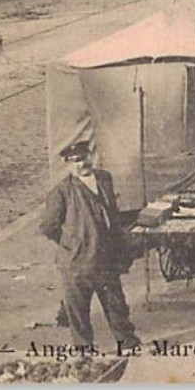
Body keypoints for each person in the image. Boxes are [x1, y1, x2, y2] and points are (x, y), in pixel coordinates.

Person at [39, 140, 141, 352]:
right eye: (75, 161)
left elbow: (111, 213)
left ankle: (129, 344)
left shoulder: (104, 179)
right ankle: (85, 352)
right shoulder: (61, 192)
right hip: (76, 264)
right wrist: (72, 242)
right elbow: (48, 226)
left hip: (105, 259)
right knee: (79, 313)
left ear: (91, 156)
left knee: (116, 306)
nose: (81, 164)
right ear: (68, 164)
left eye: (84, 158)